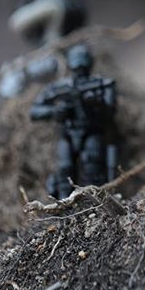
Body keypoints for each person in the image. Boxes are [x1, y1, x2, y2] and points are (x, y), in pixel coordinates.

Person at [30, 45, 118, 199]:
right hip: (68, 134)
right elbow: (34, 112)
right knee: (64, 170)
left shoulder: (99, 84)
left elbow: (110, 113)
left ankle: (94, 204)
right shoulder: (61, 86)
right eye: (77, 67)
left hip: (92, 132)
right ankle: (64, 205)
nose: (80, 71)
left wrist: (94, 103)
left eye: (83, 67)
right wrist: (55, 112)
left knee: (92, 168)